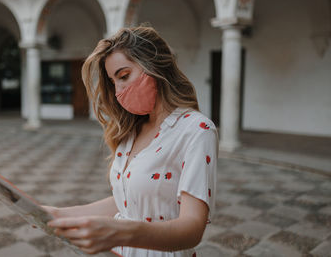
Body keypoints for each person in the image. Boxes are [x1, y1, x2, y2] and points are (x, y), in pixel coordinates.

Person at [43, 26, 218, 257]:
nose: (118, 90)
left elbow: (192, 229)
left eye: (124, 76)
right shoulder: (131, 130)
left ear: (154, 66)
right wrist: (60, 215)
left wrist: (121, 232)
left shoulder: (196, 130)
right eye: (113, 81)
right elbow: (126, 202)